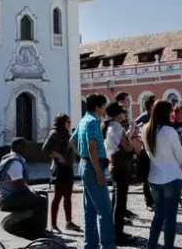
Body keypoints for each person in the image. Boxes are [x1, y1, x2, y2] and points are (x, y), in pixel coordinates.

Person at [74, 93, 115, 249]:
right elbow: (91, 147)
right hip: (93, 167)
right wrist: (98, 172)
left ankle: (90, 245)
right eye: (103, 106)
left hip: (85, 165)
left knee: (90, 211)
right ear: (97, 107)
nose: (104, 109)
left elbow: (72, 141)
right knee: (104, 210)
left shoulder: (83, 120)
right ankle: (108, 245)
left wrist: (82, 156)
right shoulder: (92, 122)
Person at [142, 100, 182, 249]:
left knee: (158, 215)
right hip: (171, 176)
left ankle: (151, 245)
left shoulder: (145, 129)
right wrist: (175, 164)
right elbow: (179, 154)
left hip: (154, 177)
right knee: (170, 218)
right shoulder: (169, 131)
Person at [0, 138, 49, 239]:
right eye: (25, 146)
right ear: (19, 147)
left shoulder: (9, 158)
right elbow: (19, 185)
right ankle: (38, 232)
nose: (26, 149)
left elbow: (19, 185)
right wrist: (32, 194)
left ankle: (41, 229)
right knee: (42, 200)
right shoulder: (15, 162)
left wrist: (32, 192)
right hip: (7, 199)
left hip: (10, 197)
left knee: (42, 194)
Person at [103, 102, 140, 245]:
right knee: (120, 203)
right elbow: (127, 147)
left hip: (115, 167)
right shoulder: (116, 128)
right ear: (117, 114)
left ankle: (116, 232)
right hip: (121, 167)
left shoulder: (111, 127)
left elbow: (123, 141)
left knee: (118, 201)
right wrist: (135, 144)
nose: (124, 114)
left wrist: (131, 130)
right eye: (122, 112)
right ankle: (118, 235)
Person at [42, 113, 80, 233]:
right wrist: (57, 155)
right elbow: (45, 149)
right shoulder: (54, 133)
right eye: (67, 121)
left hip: (68, 168)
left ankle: (68, 222)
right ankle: (53, 225)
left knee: (68, 196)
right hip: (59, 169)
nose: (69, 123)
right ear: (62, 122)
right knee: (57, 197)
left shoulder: (67, 134)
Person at [113, 92, 139, 221]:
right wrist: (133, 128)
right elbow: (124, 137)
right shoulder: (118, 116)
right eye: (127, 99)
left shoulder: (122, 115)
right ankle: (118, 214)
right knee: (119, 189)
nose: (129, 101)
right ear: (122, 100)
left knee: (121, 189)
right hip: (120, 157)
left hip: (122, 156)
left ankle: (122, 210)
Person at [135, 94, 156, 210]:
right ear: (150, 105)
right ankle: (149, 202)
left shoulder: (155, 117)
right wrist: (141, 141)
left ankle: (155, 199)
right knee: (146, 177)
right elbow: (134, 128)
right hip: (146, 151)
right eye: (154, 102)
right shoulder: (144, 117)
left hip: (155, 150)